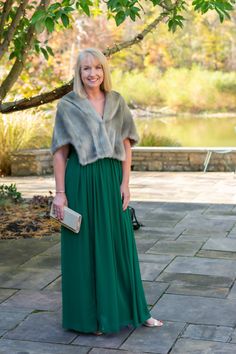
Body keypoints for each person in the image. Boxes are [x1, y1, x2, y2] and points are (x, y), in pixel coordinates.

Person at [51, 48, 163, 334]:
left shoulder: (116, 101)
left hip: (112, 178)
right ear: (78, 72)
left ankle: (136, 311)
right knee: (84, 249)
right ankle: (92, 318)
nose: (92, 73)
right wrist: (61, 193)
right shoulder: (68, 105)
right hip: (81, 181)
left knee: (120, 245)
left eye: (97, 67)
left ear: (104, 70)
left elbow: (126, 145)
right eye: (86, 68)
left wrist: (125, 184)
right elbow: (60, 153)